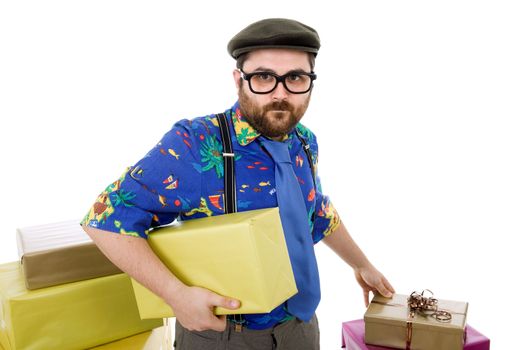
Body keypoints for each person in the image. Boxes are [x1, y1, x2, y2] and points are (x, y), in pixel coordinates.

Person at [81, 18, 395, 350]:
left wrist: (362, 265)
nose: (280, 93)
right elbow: (105, 219)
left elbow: (316, 210)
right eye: (263, 77)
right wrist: (176, 295)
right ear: (239, 80)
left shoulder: (304, 142)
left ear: (311, 83)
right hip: (223, 335)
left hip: (301, 329)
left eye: (295, 78)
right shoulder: (196, 142)